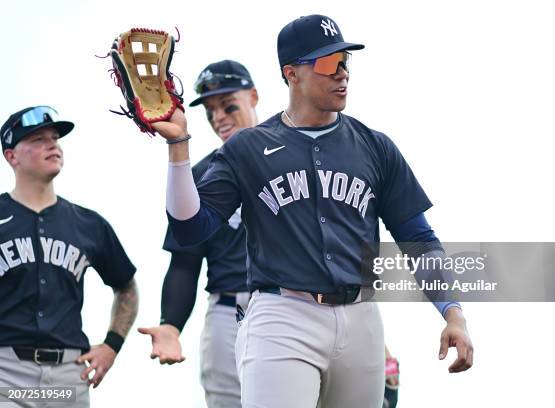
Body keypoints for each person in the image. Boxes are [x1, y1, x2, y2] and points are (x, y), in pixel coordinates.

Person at [154, 14, 474, 408]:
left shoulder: (375, 146)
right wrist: (179, 147)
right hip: (282, 314)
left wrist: (452, 312)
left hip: (361, 317)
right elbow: (190, 229)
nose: (341, 73)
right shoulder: (247, 148)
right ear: (291, 73)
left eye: (344, 61)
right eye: (326, 63)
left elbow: (419, 239)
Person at [0, 106, 138, 407]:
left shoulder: (88, 223)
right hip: (6, 372)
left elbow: (126, 285)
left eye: (54, 138)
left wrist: (111, 346)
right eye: (38, 140)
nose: (52, 145)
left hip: (69, 374)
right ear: (12, 156)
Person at [138, 60, 258, 408]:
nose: (218, 117)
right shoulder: (205, 173)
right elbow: (185, 262)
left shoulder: (297, 155)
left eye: (228, 105)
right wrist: (171, 324)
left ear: (254, 96)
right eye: (210, 111)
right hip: (229, 311)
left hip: (300, 305)